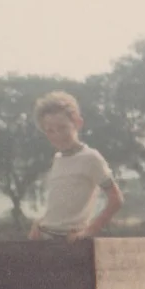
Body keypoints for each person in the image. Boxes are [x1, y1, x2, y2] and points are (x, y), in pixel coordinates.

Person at [27, 91, 124, 242]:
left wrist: (89, 231)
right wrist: (39, 222)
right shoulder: (57, 159)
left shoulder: (91, 158)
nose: (57, 135)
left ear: (77, 123)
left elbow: (116, 199)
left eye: (63, 128)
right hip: (44, 236)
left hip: (70, 240)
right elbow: (61, 203)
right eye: (50, 131)